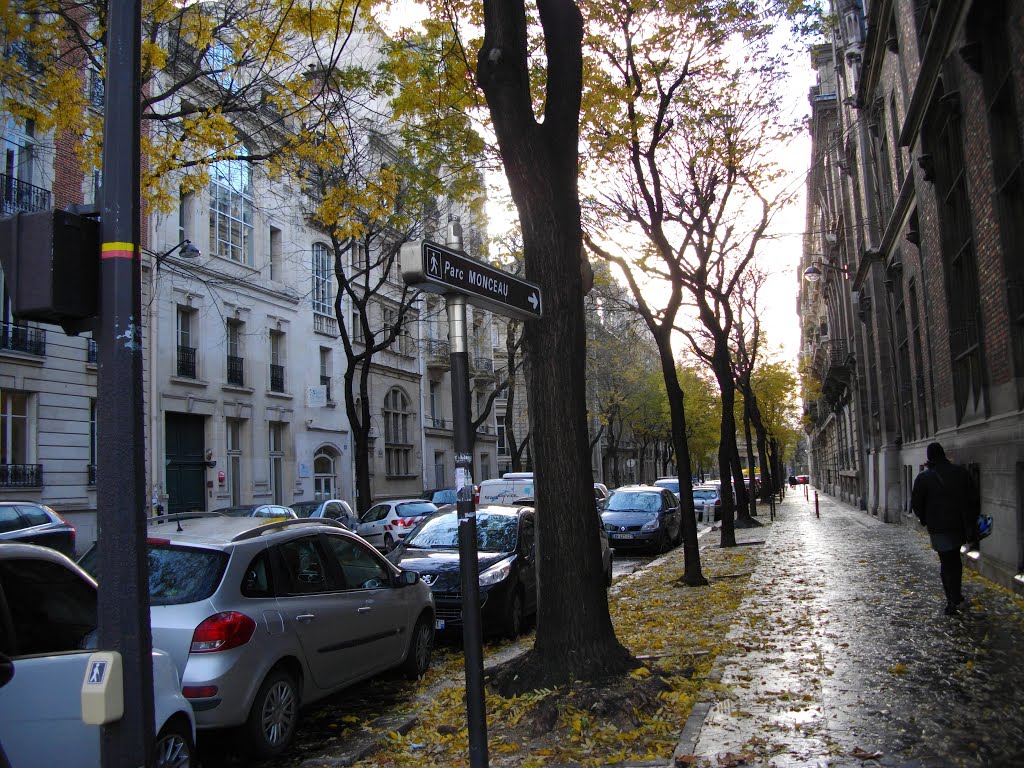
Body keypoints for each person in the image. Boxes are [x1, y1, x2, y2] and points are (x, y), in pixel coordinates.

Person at [911, 442, 978, 615]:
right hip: (957, 525)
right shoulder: (960, 472)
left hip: (938, 527)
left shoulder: (923, 478)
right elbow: (972, 498)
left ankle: (952, 600)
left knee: (946, 562)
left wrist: (925, 520)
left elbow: (916, 504)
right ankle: (956, 596)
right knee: (955, 560)